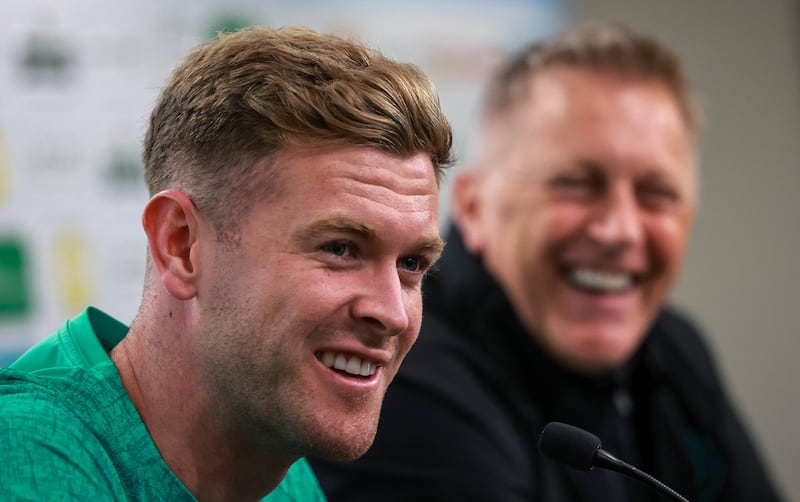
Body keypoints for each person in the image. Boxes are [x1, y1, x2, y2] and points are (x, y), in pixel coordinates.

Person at [309, 22, 784, 502]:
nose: (620, 229)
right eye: (576, 183)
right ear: (474, 208)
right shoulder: (401, 375)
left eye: (656, 194)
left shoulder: (673, 349)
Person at [0, 26, 453, 501]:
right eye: (339, 249)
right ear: (181, 244)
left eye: (411, 264)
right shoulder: (28, 451)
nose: (392, 314)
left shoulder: (285, 475)